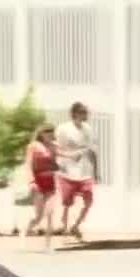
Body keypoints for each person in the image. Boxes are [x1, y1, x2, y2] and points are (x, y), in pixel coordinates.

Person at [54, 102, 98, 241]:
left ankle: (76, 225)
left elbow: (92, 151)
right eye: (83, 112)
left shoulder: (88, 130)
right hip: (66, 170)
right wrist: (67, 157)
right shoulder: (63, 129)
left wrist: (96, 171)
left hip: (84, 172)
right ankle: (64, 227)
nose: (85, 115)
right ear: (75, 113)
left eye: (86, 112)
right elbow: (56, 149)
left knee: (89, 201)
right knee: (67, 203)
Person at [24, 124, 58, 239]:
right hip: (38, 182)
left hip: (51, 181)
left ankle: (48, 245)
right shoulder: (33, 146)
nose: (49, 134)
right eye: (46, 131)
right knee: (39, 216)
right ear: (41, 133)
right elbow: (28, 165)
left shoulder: (54, 146)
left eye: (51, 132)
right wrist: (31, 181)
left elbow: (58, 163)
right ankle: (28, 228)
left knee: (50, 213)